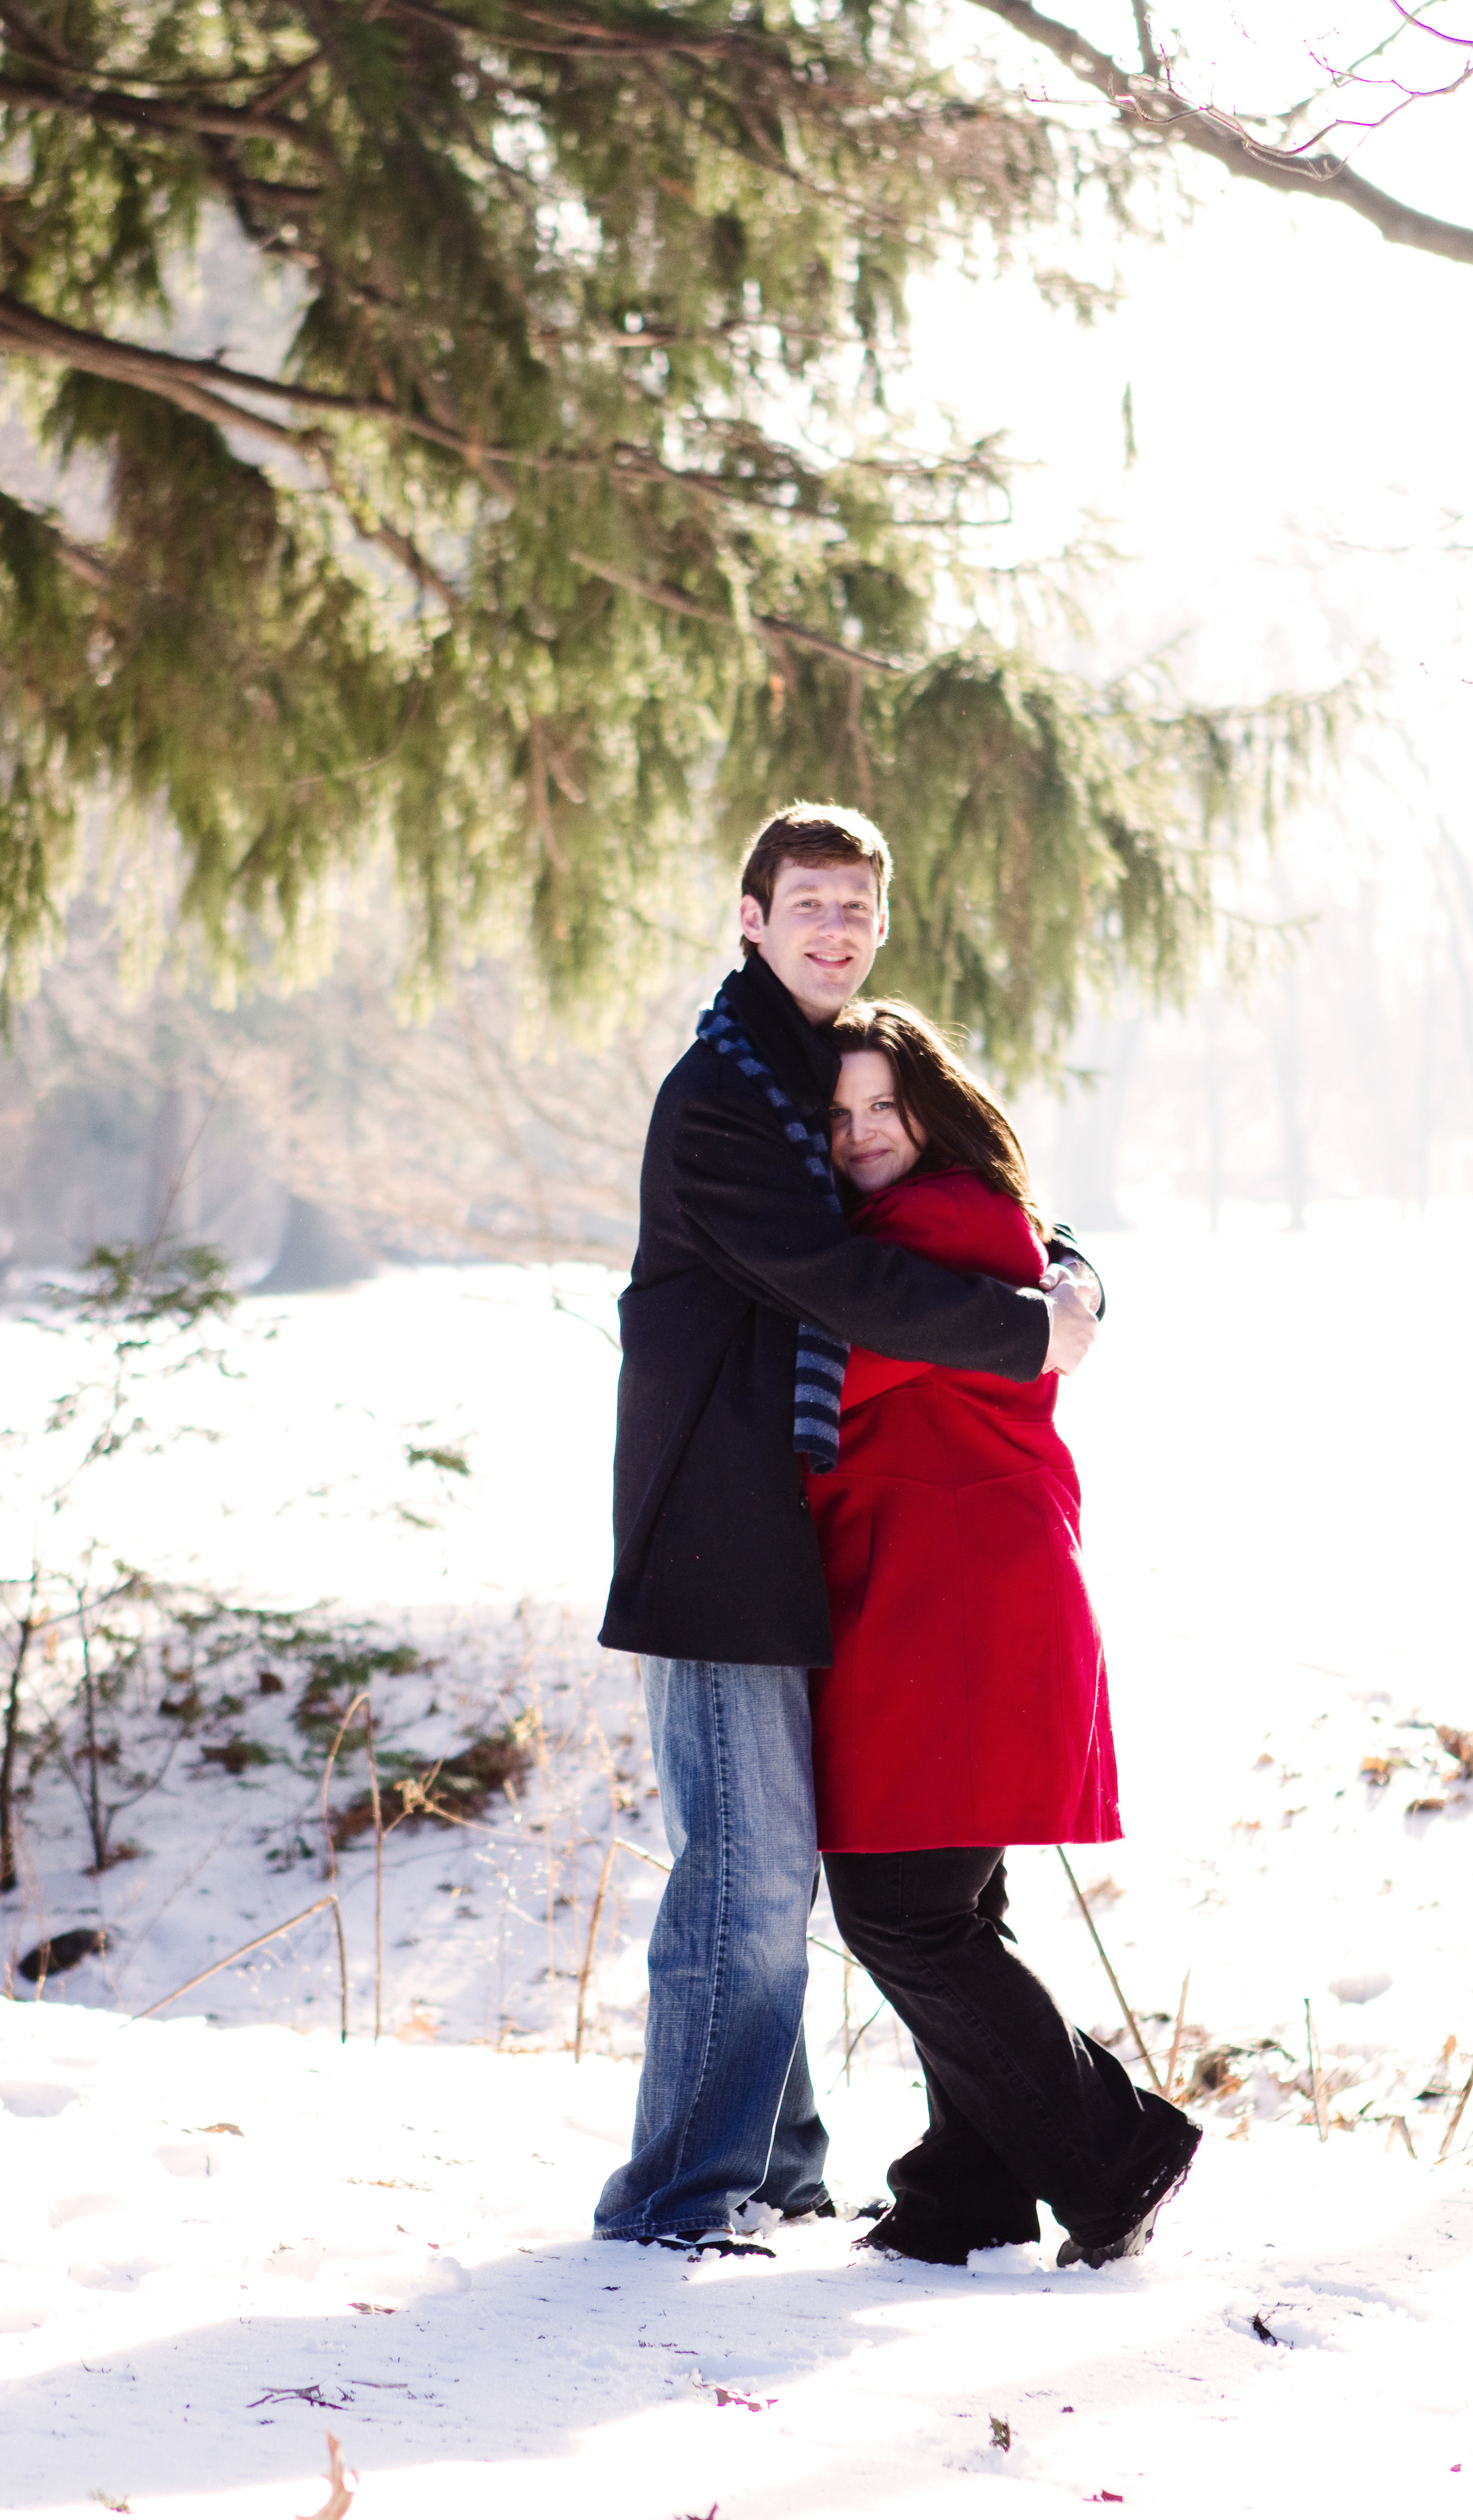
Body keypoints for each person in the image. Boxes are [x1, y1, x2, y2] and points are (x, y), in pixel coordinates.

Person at [593, 802, 1101, 2249]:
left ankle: (778, 2167)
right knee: (746, 1878)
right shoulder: (722, 1096)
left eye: (853, 909)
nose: (832, 929)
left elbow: (969, 1177)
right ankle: (682, 2198)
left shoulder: (823, 1075)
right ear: (747, 918)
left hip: (806, 1546)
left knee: (778, 1868)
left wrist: (1071, 1279)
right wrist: (1029, 1333)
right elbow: (836, 1277)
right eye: (805, 904)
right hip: (716, 1544)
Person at [809, 999, 1199, 2269]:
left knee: (903, 1908)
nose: (863, 1132)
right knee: (953, 1902)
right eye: (839, 1113)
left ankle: (1116, 2144)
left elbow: (827, 1369)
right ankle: (965, 2185)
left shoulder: (933, 1232)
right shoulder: (933, 1222)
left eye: (886, 1106)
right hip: (943, 1591)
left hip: (957, 1600)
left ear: (932, 1110)